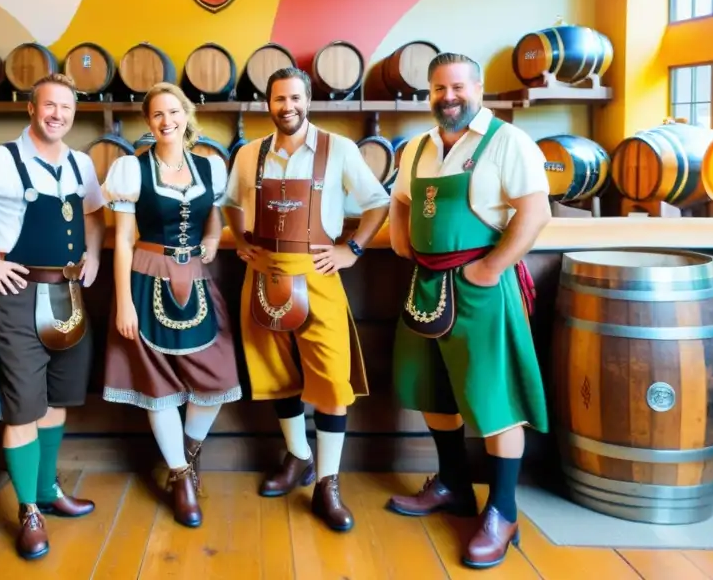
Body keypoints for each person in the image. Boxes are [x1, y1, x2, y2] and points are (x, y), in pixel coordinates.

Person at [386, 52, 551, 570]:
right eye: (439, 89)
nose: (448, 96)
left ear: (477, 88)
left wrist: (492, 267)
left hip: (481, 286)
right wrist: (400, 240)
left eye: (458, 86)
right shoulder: (418, 145)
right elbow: (402, 201)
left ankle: (503, 512)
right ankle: (455, 485)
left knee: (494, 400)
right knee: (435, 389)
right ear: (429, 93)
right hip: (428, 283)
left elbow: (536, 210)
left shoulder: (508, 141)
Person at [0, 73, 105, 561]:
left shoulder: (81, 163)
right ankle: (29, 509)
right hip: (18, 295)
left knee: (56, 400)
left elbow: (94, 214)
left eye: (67, 109)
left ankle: (48, 488)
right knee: (22, 406)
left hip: (68, 294)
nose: (58, 115)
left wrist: (92, 255)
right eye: (49, 106)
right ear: (31, 109)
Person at [221, 66, 390, 532]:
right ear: (267, 103)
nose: (287, 106)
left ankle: (328, 484)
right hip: (262, 273)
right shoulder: (249, 155)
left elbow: (378, 202)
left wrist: (351, 248)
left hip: (317, 275)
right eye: (279, 99)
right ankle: (298, 456)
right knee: (276, 375)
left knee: (334, 382)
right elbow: (230, 203)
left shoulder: (340, 149)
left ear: (308, 99)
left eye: (295, 98)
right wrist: (241, 237)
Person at [101, 82, 242, 528]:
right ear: (149, 121)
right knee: (155, 383)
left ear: (186, 116)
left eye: (173, 112)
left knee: (218, 374)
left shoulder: (209, 168)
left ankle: (188, 451)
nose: (167, 121)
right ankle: (181, 476)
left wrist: (214, 237)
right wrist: (123, 301)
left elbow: (213, 214)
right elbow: (122, 240)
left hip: (196, 280)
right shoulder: (130, 169)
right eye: (157, 114)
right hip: (146, 276)